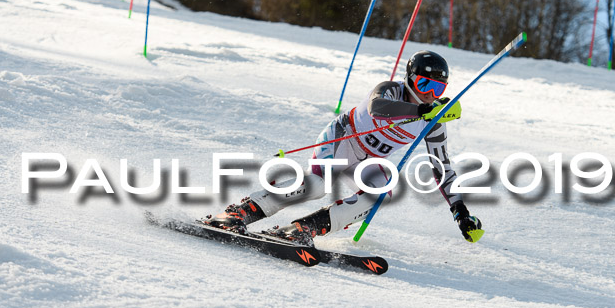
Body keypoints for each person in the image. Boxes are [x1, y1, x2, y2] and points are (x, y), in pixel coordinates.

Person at [205, 51, 482, 246]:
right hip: (343, 138)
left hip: (370, 160)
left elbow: (442, 168)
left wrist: (460, 211)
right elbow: (378, 108)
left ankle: (302, 229)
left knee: (381, 196)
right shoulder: (390, 90)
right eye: (424, 85)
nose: (429, 94)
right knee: (318, 185)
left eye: (438, 89)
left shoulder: (433, 123)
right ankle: (238, 213)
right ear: (410, 78)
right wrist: (422, 109)